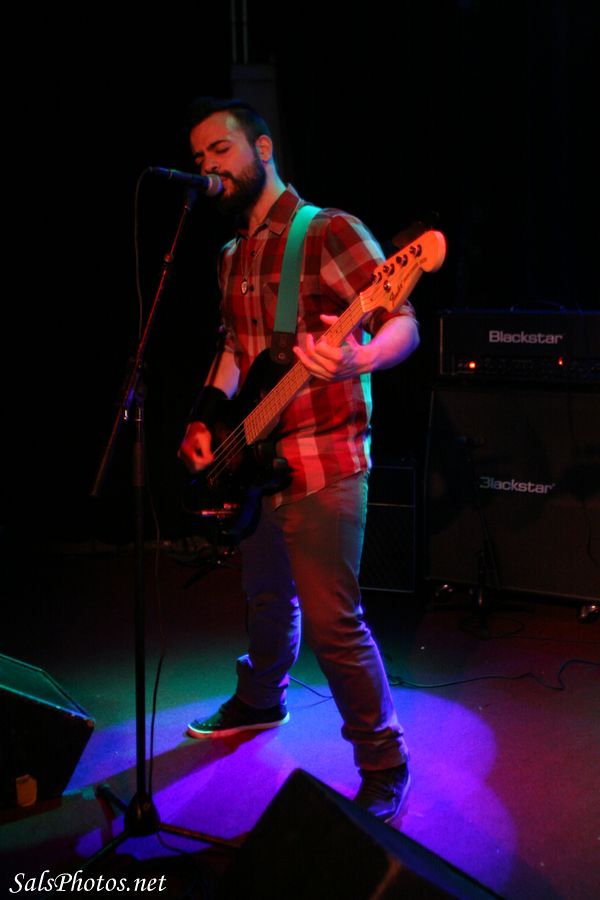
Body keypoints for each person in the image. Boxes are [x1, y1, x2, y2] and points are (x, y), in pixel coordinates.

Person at [177, 96, 419, 823]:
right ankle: (260, 699)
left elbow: (402, 321)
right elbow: (235, 348)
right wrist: (205, 416)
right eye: (198, 158)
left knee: (333, 624)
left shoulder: (330, 230)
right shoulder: (230, 256)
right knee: (263, 599)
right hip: (255, 458)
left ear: (263, 149)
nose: (209, 167)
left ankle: (384, 760)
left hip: (325, 457)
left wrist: (359, 358)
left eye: (220, 150)